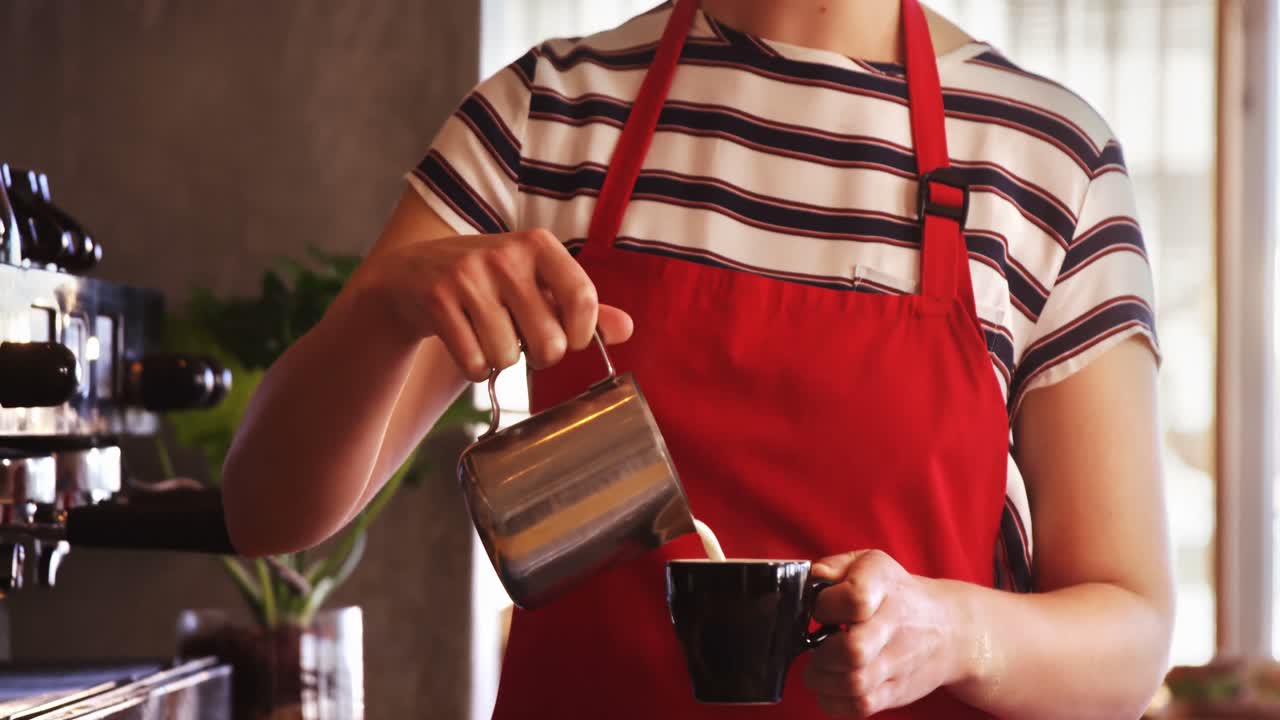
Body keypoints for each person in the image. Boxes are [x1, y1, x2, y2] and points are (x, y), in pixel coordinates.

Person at [221, 0, 1174, 717]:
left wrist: (954, 634)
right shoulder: (549, 113)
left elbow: (1130, 635)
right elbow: (268, 514)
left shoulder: (1049, 156)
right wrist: (386, 312)